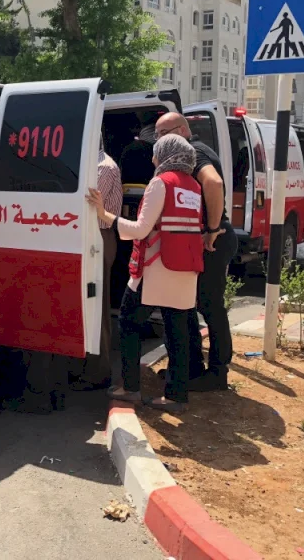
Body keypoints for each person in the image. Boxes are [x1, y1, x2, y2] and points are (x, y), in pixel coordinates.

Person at [86, 134, 204, 412]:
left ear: (166, 155)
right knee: (177, 332)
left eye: (156, 152)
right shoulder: (193, 186)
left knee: (128, 322)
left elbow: (140, 229)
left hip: (156, 268)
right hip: (186, 268)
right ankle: (176, 395)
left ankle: (130, 387)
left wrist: (104, 214)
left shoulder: (160, 183)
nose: (152, 158)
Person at [153, 112, 239, 392]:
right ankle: (190, 368)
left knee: (210, 307)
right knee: (189, 304)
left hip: (213, 239)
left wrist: (212, 228)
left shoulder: (195, 151)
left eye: (163, 133)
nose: (158, 140)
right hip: (203, 239)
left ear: (181, 130)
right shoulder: (194, 151)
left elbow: (213, 183)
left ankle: (217, 373)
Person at [73, 142, 123, 390]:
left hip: (99, 236)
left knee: (97, 308)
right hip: (90, 236)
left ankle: (98, 372)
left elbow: (86, 204)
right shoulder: (93, 165)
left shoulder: (103, 167)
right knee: (86, 305)